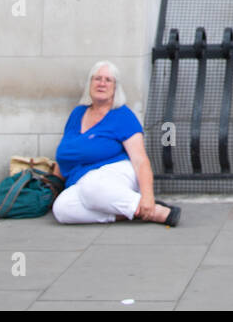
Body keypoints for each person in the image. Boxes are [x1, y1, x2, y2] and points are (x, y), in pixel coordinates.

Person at [51, 61, 180, 226]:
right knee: (62, 208)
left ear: (115, 87)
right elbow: (64, 151)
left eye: (108, 80)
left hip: (116, 172)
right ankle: (134, 212)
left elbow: (140, 160)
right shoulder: (78, 113)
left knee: (91, 186)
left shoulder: (123, 116)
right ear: (90, 84)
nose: (102, 83)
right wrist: (53, 183)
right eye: (97, 78)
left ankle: (155, 211)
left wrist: (148, 195)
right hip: (81, 180)